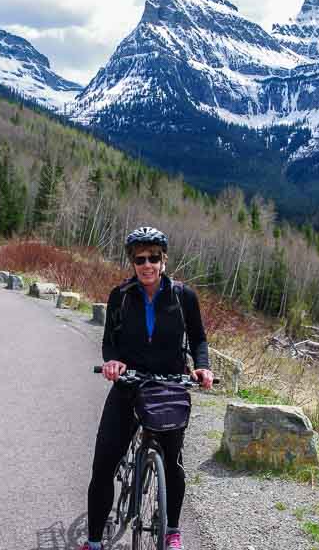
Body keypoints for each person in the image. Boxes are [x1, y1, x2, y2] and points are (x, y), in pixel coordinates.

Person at [82, 226, 214, 550]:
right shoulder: (121, 296)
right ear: (133, 261)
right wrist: (113, 362)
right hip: (129, 387)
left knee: (173, 463)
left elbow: (198, 338)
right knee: (103, 466)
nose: (147, 264)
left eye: (153, 257)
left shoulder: (184, 297)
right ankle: (94, 541)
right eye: (140, 258)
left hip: (169, 388)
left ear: (164, 260)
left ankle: (171, 531)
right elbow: (109, 341)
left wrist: (202, 365)